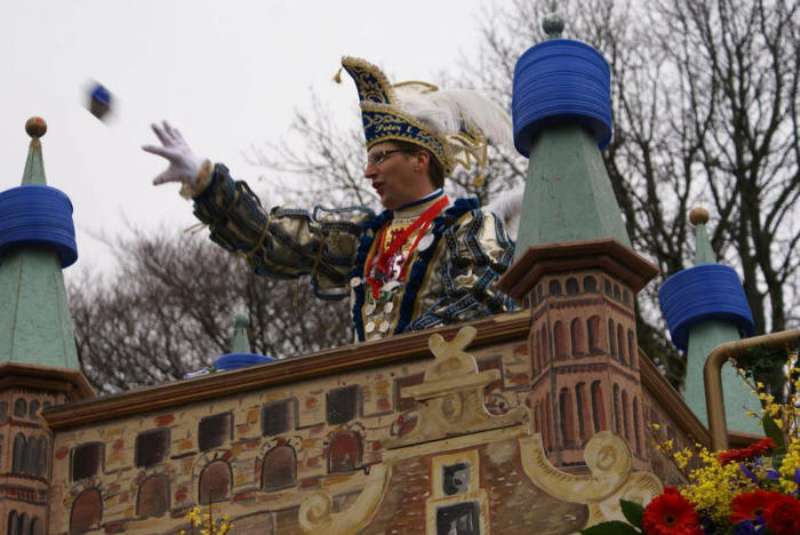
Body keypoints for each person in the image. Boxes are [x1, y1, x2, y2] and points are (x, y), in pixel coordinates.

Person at [143, 56, 517, 343]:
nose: (368, 172)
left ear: (420, 160)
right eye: (369, 160)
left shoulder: (470, 227)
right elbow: (275, 242)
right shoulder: (366, 238)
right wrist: (206, 182)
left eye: (380, 158)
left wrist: (399, 353)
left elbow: (481, 300)